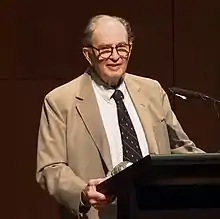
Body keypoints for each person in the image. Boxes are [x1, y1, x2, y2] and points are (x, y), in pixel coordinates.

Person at [36, 14, 204, 219]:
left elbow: (181, 148)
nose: (115, 56)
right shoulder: (61, 101)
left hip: (157, 210)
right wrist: (82, 191)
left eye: (122, 48)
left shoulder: (152, 90)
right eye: (105, 49)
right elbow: (49, 168)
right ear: (88, 54)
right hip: (100, 213)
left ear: (130, 48)